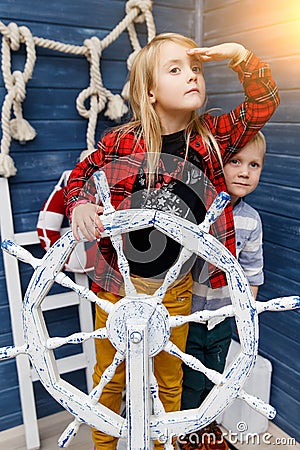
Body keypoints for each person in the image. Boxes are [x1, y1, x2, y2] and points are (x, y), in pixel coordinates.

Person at [65, 33, 279, 450]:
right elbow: (82, 174)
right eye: (176, 69)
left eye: (196, 69)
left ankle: (165, 444)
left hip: (176, 288)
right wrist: (79, 205)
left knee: (170, 379)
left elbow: (263, 103)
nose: (192, 77)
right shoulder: (120, 141)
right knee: (109, 378)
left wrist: (240, 58)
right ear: (149, 90)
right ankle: (105, 447)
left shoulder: (214, 139)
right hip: (115, 285)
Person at [180, 131, 267, 450]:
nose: (245, 171)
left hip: (220, 318)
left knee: (214, 376)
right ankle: (184, 429)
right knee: (187, 380)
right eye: (236, 161)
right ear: (217, 165)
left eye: (254, 164)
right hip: (185, 316)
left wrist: (245, 318)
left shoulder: (251, 222)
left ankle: (205, 425)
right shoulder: (194, 211)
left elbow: (251, 274)